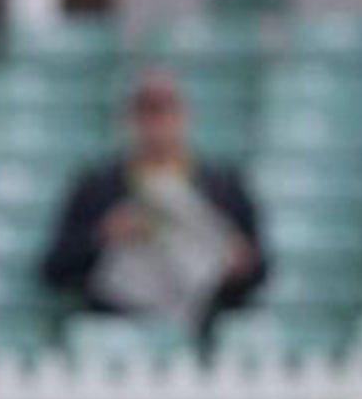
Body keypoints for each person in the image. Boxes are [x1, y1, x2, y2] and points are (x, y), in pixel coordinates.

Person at [39, 70, 266, 340]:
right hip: (116, 333)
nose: (157, 123)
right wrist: (101, 236)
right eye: (147, 111)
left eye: (165, 109)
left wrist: (239, 267)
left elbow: (257, 270)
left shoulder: (224, 188)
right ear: (130, 119)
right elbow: (54, 270)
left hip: (198, 333)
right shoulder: (98, 187)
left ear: (184, 116)